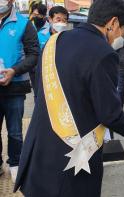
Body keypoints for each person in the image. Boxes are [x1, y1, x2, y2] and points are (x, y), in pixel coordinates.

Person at [14, 0, 124, 196]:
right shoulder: (103, 53)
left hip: (40, 151)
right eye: (123, 30)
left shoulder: (56, 41)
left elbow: (41, 91)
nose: (121, 37)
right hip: (72, 159)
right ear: (112, 23)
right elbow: (110, 114)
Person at [0, 0, 39, 182]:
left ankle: (16, 164)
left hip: (14, 87)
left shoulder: (24, 23)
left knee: (15, 130)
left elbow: (33, 54)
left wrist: (14, 70)